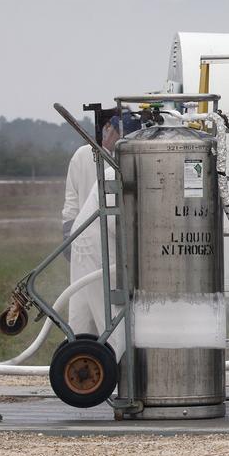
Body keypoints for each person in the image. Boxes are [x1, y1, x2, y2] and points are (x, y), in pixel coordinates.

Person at [62, 113, 140, 335]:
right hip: (87, 237)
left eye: (116, 132)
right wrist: (68, 231)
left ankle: (101, 357)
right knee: (85, 308)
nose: (110, 134)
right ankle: (80, 353)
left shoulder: (123, 163)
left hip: (109, 239)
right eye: (110, 129)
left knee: (104, 306)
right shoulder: (84, 155)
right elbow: (71, 197)